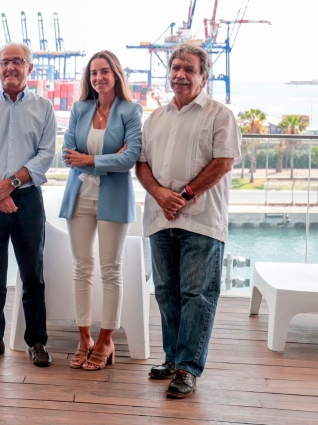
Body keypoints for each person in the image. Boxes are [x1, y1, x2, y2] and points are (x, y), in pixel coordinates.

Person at [136, 43, 241, 398]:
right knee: (166, 293)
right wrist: (160, 195)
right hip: (161, 217)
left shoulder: (219, 114)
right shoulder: (156, 117)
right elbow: (142, 164)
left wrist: (183, 195)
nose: (180, 74)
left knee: (197, 294)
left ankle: (187, 368)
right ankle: (171, 357)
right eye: (176, 68)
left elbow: (224, 162)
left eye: (189, 69)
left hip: (201, 219)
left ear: (203, 76)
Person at [0, 42, 56, 367]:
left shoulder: (44, 108)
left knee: (33, 274)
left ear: (30, 68)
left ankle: (37, 341)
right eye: (5, 62)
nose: (10, 68)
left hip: (28, 200)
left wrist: (11, 184)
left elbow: (46, 155)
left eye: (18, 62)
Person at [59, 51, 142, 371]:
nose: (98, 78)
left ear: (116, 74)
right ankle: (84, 339)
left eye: (104, 71)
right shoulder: (80, 109)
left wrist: (91, 160)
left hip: (113, 199)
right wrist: (110, 157)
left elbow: (130, 157)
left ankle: (106, 341)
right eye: (93, 72)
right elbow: (68, 155)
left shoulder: (131, 110)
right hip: (78, 197)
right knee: (82, 267)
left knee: (110, 269)